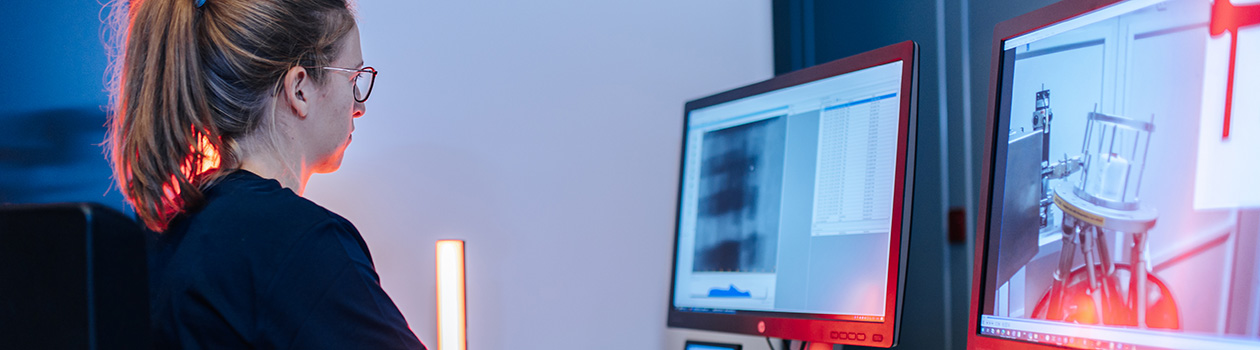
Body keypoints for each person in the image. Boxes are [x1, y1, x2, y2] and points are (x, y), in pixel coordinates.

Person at [105, 0, 426, 348]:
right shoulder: (302, 244)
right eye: (353, 78)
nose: (359, 106)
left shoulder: (162, 233)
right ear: (299, 89)